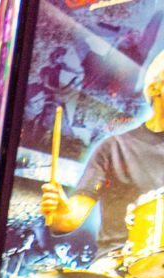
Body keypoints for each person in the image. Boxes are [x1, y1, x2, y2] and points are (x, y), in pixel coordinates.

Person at [44, 49, 164, 265]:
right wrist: (61, 213)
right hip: (118, 265)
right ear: (155, 87)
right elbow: (68, 220)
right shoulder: (114, 148)